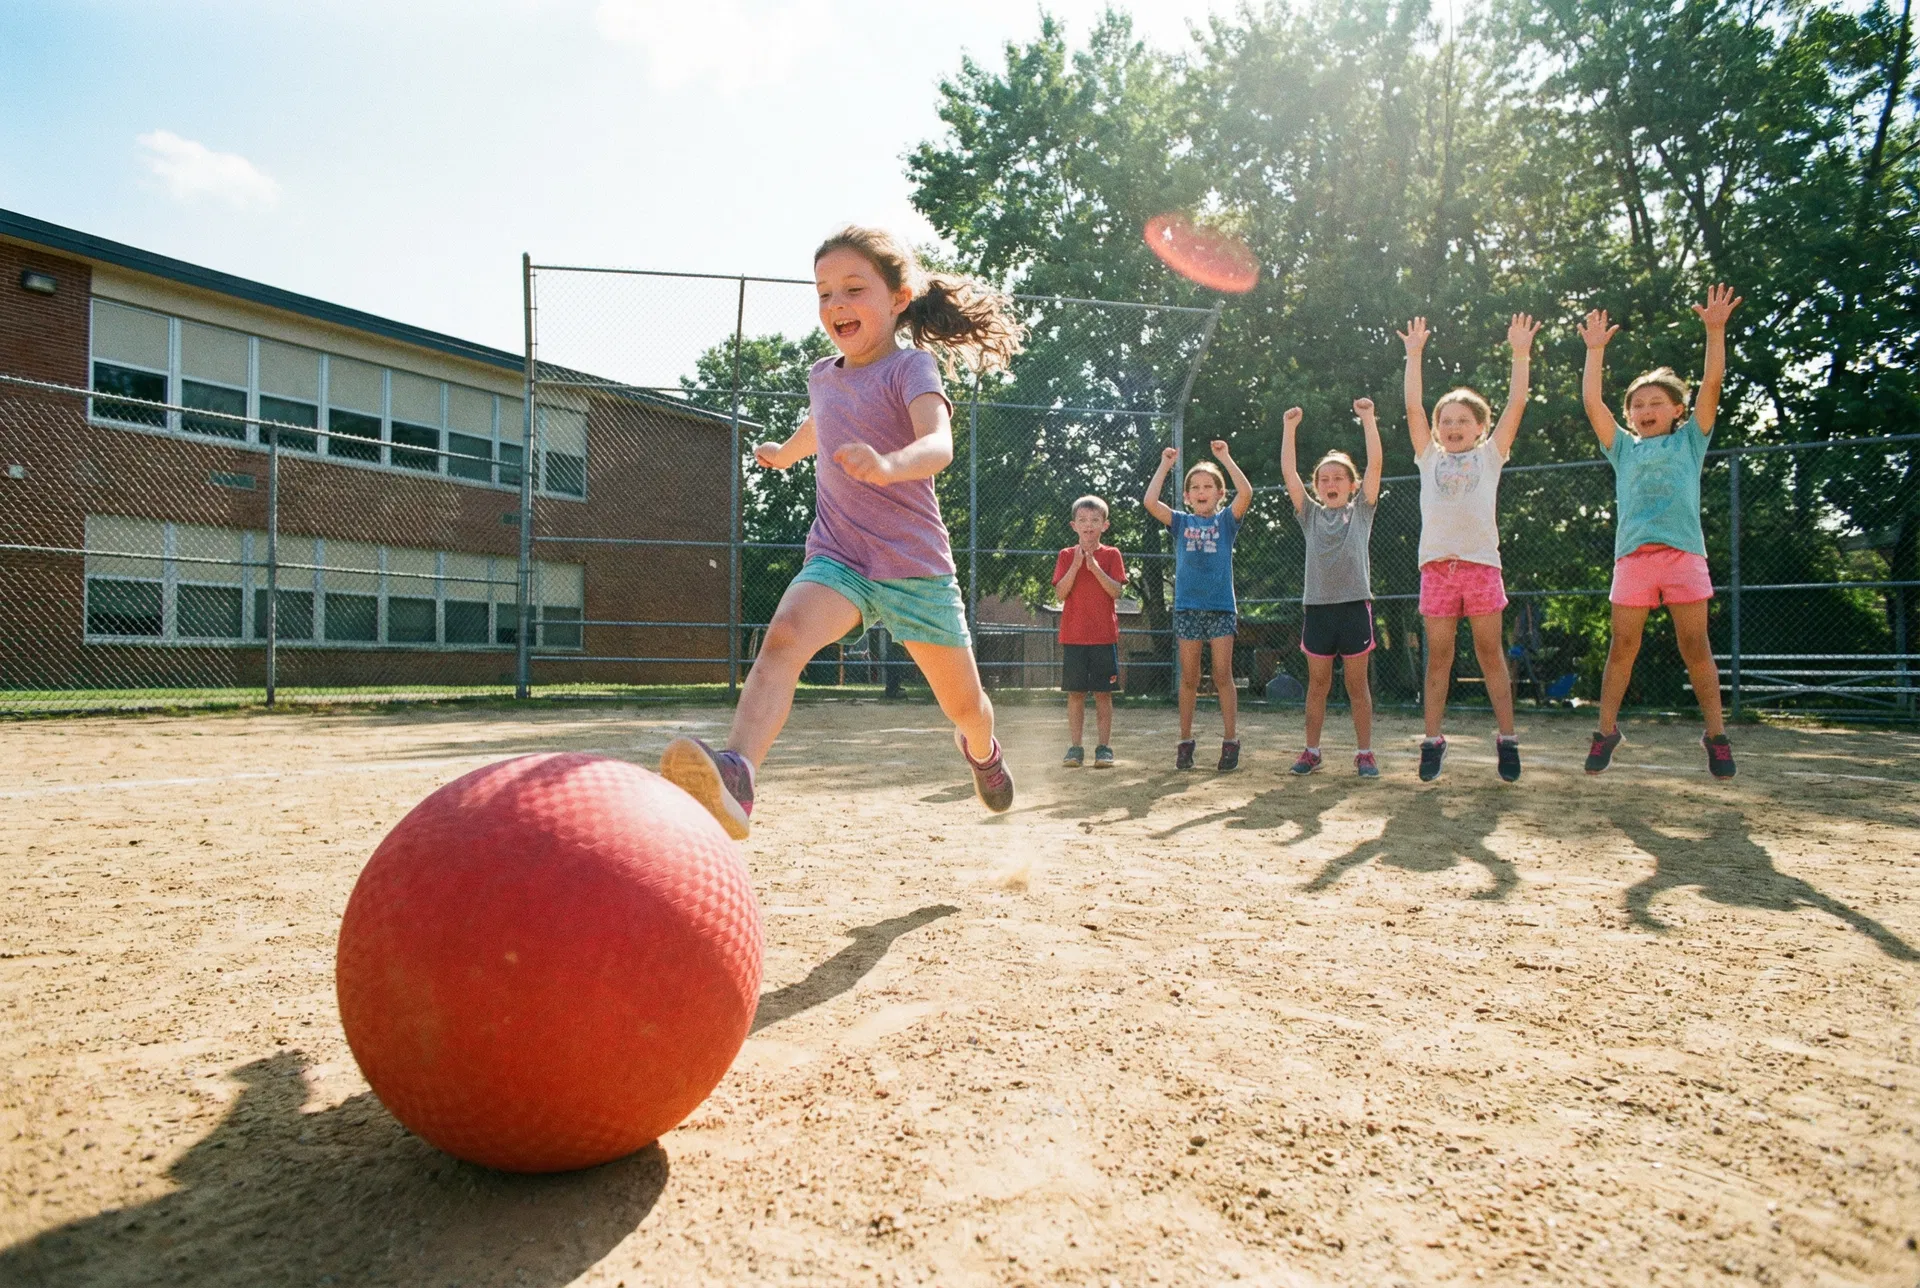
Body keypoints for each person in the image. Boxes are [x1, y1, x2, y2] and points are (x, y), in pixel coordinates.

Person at [658, 226, 1026, 838]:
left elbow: (938, 444)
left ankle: (983, 752)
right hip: (840, 555)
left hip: (914, 566)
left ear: (899, 298)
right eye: (824, 293)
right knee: (783, 638)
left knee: (965, 707)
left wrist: (888, 466)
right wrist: (786, 452)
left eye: (854, 289)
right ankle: (738, 773)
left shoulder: (911, 368)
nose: (836, 306)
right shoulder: (822, 376)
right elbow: (821, 425)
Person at [1577, 284, 1742, 778]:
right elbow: (1592, 402)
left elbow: (1712, 385)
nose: (1645, 409)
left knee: (1696, 648)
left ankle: (1716, 735)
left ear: (1677, 411)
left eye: (1656, 402)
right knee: (1621, 648)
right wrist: (1595, 350)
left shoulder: (1692, 441)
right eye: (1637, 404)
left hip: (1683, 557)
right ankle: (1607, 731)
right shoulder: (1623, 448)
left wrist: (1715, 331)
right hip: (1633, 560)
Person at [1399, 313, 1541, 783]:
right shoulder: (1428, 457)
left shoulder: (1490, 455)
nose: (1453, 426)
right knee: (1438, 657)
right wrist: (1414, 354)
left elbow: (1518, 401)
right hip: (1437, 570)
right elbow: (1414, 408)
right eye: (1447, 420)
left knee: (1489, 652)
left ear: (1481, 427)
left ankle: (1507, 739)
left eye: (1463, 420)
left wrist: (1521, 352)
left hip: (1481, 567)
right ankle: (1433, 740)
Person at [1280, 400, 1385, 777]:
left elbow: (1375, 465)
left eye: (1339, 478)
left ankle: (1365, 753)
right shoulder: (1309, 514)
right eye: (1324, 479)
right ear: (1317, 486)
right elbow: (1289, 473)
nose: (1331, 483)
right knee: (1318, 685)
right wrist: (1289, 429)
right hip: (1319, 610)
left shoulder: (1362, 511)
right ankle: (1312, 751)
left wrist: (1369, 419)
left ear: (1352, 485)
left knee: (1358, 685)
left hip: (1355, 607)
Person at [1143, 441, 1254, 770]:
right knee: (1189, 677)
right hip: (1187, 608)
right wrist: (1165, 465)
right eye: (1195, 487)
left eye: (1209, 486)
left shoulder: (1225, 523)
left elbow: (1245, 492)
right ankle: (1185, 741)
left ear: (1219, 493)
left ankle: (1231, 741)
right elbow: (1150, 502)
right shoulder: (1179, 522)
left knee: (1223, 675)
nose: (1202, 490)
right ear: (1187, 496)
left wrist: (1225, 458)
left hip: (1221, 608)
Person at [1053, 495, 1127, 768]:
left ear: (1104, 525)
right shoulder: (1064, 555)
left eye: (1095, 520)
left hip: (1103, 636)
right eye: (1083, 520)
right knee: (1075, 694)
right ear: (1074, 525)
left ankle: (1104, 747)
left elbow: (1116, 591)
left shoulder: (1112, 555)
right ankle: (1075, 748)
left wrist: (1094, 567)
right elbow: (1061, 593)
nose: (1088, 526)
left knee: (1103, 695)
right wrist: (1075, 564)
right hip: (1073, 636)